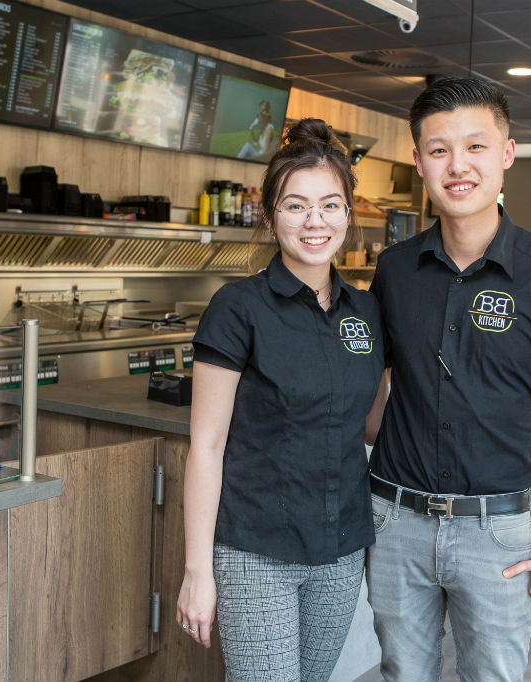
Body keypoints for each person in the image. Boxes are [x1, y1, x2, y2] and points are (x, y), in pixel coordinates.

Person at [365, 76, 531, 681]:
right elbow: (377, 385)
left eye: (475, 147)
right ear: (420, 161)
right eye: (439, 150)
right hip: (394, 522)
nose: (457, 165)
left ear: (507, 155)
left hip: (497, 533)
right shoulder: (395, 269)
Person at [176, 118, 386, 682]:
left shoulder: (365, 312)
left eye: (330, 205)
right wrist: (198, 570)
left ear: (348, 213)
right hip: (256, 551)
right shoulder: (237, 308)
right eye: (296, 206)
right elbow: (207, 446)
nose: (315, 222)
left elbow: (370, 426)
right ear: (270, 216)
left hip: (341, 548)